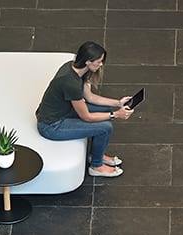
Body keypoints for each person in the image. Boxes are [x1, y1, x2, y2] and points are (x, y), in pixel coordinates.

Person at [35, 41, 133, 178]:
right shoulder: (70, 83)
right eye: (98, 62)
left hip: (64, 111)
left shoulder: (77, 69)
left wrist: (118, 103)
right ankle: (96, 166)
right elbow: (86, 116)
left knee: (105, 110)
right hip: (51, 125)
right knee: (105, 128)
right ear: (88, 61)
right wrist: (115, 115)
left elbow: (90, 97)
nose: (101, 65)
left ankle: (96, 155)